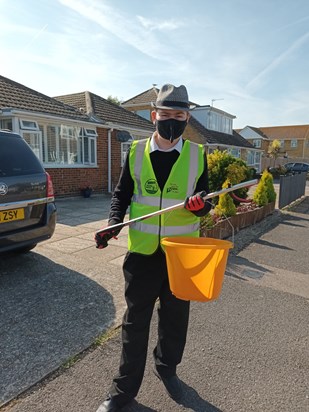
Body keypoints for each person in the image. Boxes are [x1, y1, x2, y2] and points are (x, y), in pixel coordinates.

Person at [95, 84, 212, 412]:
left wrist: (199, 206)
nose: (172, 121)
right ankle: (123, 390)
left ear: (187, 117)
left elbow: (206, 203)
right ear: (153, 116)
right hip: (143, 255)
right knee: (135, 323)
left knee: (175, 319)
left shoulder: (197, 155)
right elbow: (121, 194)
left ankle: (167, 368)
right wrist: (113, 221)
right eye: (166, 114)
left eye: (179, 115)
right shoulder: (134, 152)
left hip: (181, 255)